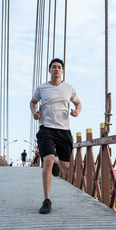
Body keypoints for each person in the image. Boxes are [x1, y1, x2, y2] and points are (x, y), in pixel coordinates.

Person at [30, 58, 81, 214]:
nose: (56, 69)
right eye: (54, 67)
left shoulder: (69, 88)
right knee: (48, 160)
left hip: (63, 130)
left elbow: (78, 103)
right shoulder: (42, 88)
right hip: (46, 128)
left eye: (59, 67)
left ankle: (58, 161)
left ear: (63, 71)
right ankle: (47, 200)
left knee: (65, 166)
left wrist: (76, 111)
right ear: (49, 70)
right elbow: (32, 102)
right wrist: (34, 112)